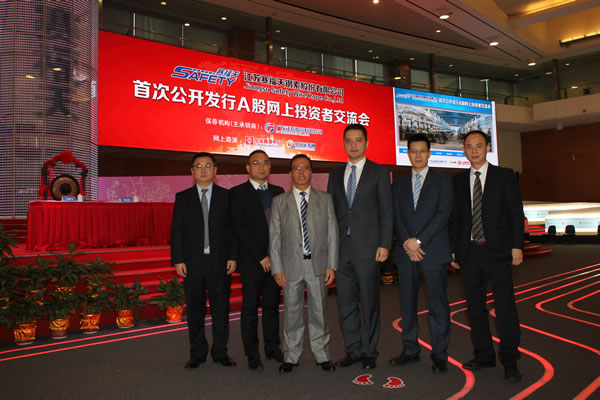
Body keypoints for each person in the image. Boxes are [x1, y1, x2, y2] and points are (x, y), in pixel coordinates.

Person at [450, 130, 524, 383]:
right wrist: (454, 249)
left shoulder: (504, 176)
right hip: (469, 253)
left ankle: (510, 361)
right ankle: (483, 355)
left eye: (479, 146)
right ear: (464, 150)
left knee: (505, 309)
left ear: (488, 148)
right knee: (475, 309)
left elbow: (515, 213)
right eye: (469, 146)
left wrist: (517, 246)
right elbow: (456, 220)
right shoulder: (458, 182)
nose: (474, 151)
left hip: (499, 252)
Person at [327, 123, 393, 370]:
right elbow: (331, 214)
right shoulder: (335, 174)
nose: (353, 144)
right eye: (348, 140)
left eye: (358, 140)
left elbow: (387, 212)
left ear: (366, 143)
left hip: (369, 249)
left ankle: (369, 351)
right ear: (343, 144)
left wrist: (385, 244)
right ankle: (353, 350)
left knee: (370, 302)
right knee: (345, 304)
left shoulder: (379, 172)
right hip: (342, 249)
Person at [389, 134, 452, 374]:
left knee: (437, 304)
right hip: (406, 251)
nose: (417, 155)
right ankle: (410, 350)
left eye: (422, 151)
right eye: (413, 151)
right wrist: (409, 242)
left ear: (429, 153)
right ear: (408, 154)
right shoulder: (398, 184)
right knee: (407, 304)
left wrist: (419, 241)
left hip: (433, 249)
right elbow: (396, 216)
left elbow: (443, 214)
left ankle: (439, 354)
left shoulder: (443, 181)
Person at [270, 154, 338, 373]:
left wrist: (331, 264)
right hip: (290, 266)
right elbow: (275, 237)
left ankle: (322, 354)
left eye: (305, 168)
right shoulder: (279, 201)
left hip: (318, 265)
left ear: (311, 172)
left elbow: (332, 233)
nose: (301, 172)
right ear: (290, 173)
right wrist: (277, 268)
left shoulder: (325, 199)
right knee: (292, 313)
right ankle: (291, 355)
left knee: (320, 311)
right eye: (297, 168)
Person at [170, 152, 237, 369]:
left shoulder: (227, 196)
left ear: (215, 170)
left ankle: (220, 352)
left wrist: (233, 256)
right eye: (198, 166)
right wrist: (178, 259)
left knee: (221, 309)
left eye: (208, 165)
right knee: (195, 310)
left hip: (220, 262)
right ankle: (197, 353)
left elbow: (233, 230)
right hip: (192, 263)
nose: (203, 170)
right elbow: (176, 231)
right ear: (192, 171)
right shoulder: (183, 197)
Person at [229, 150, 284, 371]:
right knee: (250, 308)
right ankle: (252, 353)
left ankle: (272, 347)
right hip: (252, 261)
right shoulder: (237, 193)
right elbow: (238, 228)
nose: (261, 167)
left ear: (270, 167)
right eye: (256, 163)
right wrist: (260, 256)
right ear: (248, 168)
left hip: (276, 260)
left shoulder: (278, 192)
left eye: (265, 163)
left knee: (272, 306)